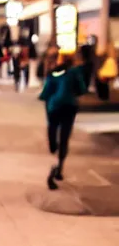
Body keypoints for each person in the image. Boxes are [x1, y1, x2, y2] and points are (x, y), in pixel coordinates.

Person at [39, 52, 87, 190]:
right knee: (65, 137)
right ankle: (59, 167)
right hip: (69, 107)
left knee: (52, 128)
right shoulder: (75, 73)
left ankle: (53, 146)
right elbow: (82, 89)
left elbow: (46, 93)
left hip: (54, 107)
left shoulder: (53, 73)